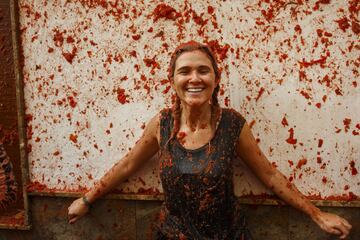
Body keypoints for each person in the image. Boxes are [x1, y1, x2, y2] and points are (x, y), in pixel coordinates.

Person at [68, 41, 352, 239]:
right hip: (172, 235)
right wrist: (87, 199)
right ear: (172, 80)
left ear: (216, 79)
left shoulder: (231, 125)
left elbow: (270, 175)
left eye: (203, 70)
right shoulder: (162, 125)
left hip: (228, 234)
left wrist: (317, 215)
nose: (195, 78)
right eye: (185, 71)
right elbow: (129, 165)